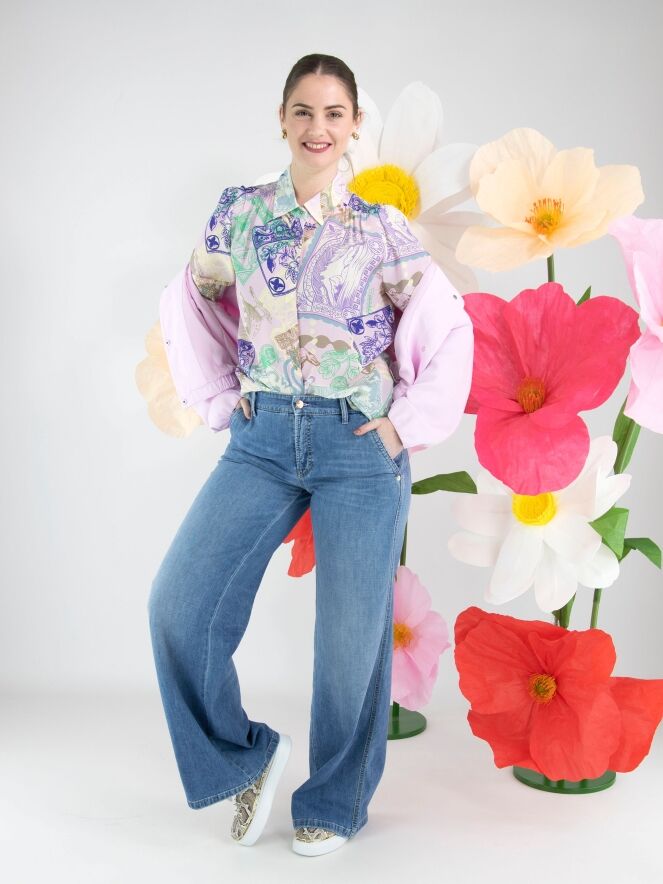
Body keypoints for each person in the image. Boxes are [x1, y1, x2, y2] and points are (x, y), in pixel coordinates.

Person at [146, 53, 474, 857]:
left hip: (357, 445)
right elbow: (189, 298)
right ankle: (242, 760)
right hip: (261, 442)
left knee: (349, 643)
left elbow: (446, 324)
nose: (317, 128)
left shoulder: (380, 227)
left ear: (354, 125)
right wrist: (220, 396)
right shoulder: (240, 213)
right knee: (178, 605)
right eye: (303, 111)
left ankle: (333, 799)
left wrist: (405, 424)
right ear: (282, 119)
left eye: (333, 113)